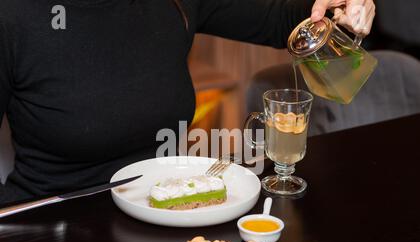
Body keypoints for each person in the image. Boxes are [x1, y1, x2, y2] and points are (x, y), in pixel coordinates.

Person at [0, 0, 375, 205]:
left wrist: (343, 7)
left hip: (166, 210)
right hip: (47, 227)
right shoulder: (13, 15)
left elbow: (285, 20)